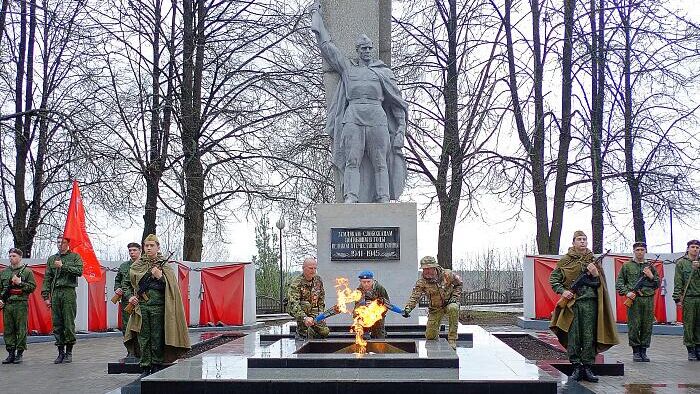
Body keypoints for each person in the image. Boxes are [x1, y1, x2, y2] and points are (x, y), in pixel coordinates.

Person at [309, 0, 408, 203]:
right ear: (357, 50)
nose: (366, 51)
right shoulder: (348, 69)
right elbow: (328, 49)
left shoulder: (383, 72)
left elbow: (397, 103)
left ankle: (382, 197)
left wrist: (401, 129)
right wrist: (317, 20)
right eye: (363, 48)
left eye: (369, 47)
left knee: (380, 162)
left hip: (377, 118)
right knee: (352, 160)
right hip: (353, 117)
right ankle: (351, 196)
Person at [549, 230, 619, 382]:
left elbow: (601, 284)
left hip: (590, 304)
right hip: (573, 305)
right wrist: (563, 291)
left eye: (585, 239)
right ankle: (576, 366)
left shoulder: (593, 260)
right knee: (573, 337)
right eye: (579, 239)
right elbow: (554, 280)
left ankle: (587, 367)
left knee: (589, 336)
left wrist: (595, 274)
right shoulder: (565, 260)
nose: (582, 241)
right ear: (573, 242)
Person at [123, 234, 190, 376]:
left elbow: (172, 286)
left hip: (159, 307)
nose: (148, 248)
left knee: (157, 337)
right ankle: (145, 366)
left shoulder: (164, 265)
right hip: (141, 308)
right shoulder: (137, 265)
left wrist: (160, 277)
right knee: (143, 337)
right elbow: (127, 285)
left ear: (158, 247)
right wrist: (130, 297)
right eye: (146, 246)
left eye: (151, 245)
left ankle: (157, 365)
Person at [403, 256, 462, 349]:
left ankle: (452, 339)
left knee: (454, 308)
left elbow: (459, 284)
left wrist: (455, 297)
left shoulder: (448, 274)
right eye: (424, 269)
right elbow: (415, 297)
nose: (427, 271)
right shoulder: (421, 282)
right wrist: (408, 308)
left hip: (450, 302)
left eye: (429, 268)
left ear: (435, 267)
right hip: (435, 308)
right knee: (430, 336)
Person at [41, 235, 83, 364]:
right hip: (55, 293)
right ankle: (60, 352)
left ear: (68, 243)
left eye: (63, 242)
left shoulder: (75, 257)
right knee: (57, 323)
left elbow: (79, 271)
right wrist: (46, 296)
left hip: (68, 292)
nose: (60, 244)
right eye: (58, 242)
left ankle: (69, 352)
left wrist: (63, 266)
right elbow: (47, 278)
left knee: (68, 322)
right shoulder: (52, 259)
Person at [615, 241, 659, 362]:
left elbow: (657, 284)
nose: (640, 252)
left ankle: (643, 351)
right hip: (634, 300)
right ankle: (635, 351)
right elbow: (619, 283)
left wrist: (650, 276)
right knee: (634, 326)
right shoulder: (627, 266)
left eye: (642, 250)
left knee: (647, 326)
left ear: (645, 251)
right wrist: (627, 292)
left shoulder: (651, 267)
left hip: (648, 299)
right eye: (637, 250)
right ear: (634, 251)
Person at [0, 248, 36, 364]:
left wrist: (20, 283)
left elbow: (32, 287)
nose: (11, 258)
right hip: (8, 304)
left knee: (21, 329)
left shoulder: (27, 272)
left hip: (21, 303)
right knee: (8, 330)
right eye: (10, 256)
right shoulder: (5, 272)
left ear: (20, 257)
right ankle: (10, 353)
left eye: (14, 256)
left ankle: (19, 354)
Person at [286, 257, 330, 339]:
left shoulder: (318, 280)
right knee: (305, 305)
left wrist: (321, 313)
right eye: (310, 268)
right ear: (303, 268)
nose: (313, 270)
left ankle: (312, 330)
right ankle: (301, 330)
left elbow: (321, 298)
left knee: (325, 332)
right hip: (300, 311)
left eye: (315, 268)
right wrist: (304, 318)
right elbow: (293, 304)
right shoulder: (296, 283)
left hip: (314, 311)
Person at [672, 239, 700, 361]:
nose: (695, 249)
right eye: (693, 247)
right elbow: (678, 281)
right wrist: (677, 298)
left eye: (697, 247)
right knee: (689, 325)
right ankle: (691, 350)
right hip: (688, 298)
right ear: (688, 248)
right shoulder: (681, 263)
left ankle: (698, 349)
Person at [114, 242, 142, 359]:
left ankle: (140, 352)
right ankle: (130, 352)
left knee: (140, 326)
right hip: (127, 301)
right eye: (130, 250)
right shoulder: (124, 266)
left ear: (140, 250)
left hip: (140, 301)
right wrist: (117, 289)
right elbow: (118, 280)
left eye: (134, 250)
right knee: (126, 327)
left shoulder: (144, 265)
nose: (132, 252)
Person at [354, 270, 390, 339]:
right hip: (364, 316)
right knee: (362, 338)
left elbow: (387, 304)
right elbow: (356, 307)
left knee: (379, 337)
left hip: (378, 315)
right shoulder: (358, 291)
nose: (366, 284)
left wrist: (375, 305)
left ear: (372, 280)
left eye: (368, 282)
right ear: (360, 281)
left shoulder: (380, 288)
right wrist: (363, 306)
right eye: (364, 282)